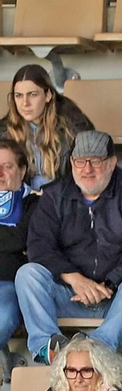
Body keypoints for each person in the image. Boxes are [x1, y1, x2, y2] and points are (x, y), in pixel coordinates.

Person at [19, 131, 122, 362]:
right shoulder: (54, 196)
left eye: (95, 161)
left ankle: (100, 347)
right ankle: (47, 348)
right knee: (27, 274)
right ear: (72, 163)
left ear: (112, 163)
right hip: (69, 296)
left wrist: (109, 283)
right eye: (79, 161)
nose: (87, 169)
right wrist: (75, 279)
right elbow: (39, 246)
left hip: (117, 298)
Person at [5, 65, 92, 190]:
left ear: (48, 95)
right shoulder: (4, 131)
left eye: (33, 94)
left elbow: (86, 174)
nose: (25, 103)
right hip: (21, 201)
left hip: (61, 201)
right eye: (18, 95)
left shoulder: (73, 127)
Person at [0, 139, 38, 354]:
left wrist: (15, 241)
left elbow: (22, 238)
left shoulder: (34, 204)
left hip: (8, 284)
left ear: (22, 171)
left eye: (7, 166)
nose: (0, 173)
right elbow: (14, 240)